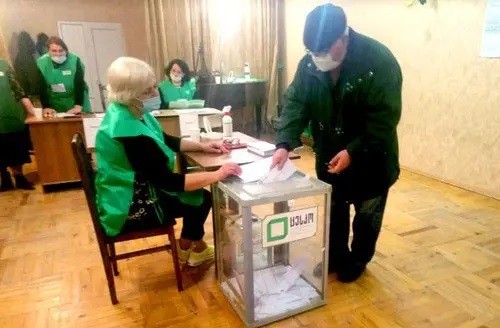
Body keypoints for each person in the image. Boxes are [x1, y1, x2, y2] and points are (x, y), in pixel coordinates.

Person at [272, 4, 402, 282]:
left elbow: (384, 118)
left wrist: (353, 150)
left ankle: (358, 260)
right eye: (312, 52)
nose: (317, 58)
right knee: (335, 209)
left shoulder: (378, 61)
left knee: (367, 214)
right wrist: (284, 143)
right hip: (330, 154)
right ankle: (336, 255)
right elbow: (296, 103)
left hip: (370, 156)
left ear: (343, 38)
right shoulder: (309, 63)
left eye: (324, 51)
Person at [95, 57, 241, 267]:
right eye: (148, 91)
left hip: (127, 189)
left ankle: (197, 248)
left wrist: (203, 146)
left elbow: (166, 140)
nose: (156, 94)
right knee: (202, 199)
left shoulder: (130, 112)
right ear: (129, 95)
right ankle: (183, 249)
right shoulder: (128, 131)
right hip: (130, 204)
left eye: (154, 87)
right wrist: (217, 174)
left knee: (197, 196)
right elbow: (168, 182)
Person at [0, 58, 36, 191]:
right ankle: (4, 178)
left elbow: (18, 90)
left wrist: (31, 110)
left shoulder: (4, 65)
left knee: (16, 146)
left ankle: (19, 176)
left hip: (12, 115)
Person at [36, 36, 91, 116]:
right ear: (48, 51)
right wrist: (46, 106)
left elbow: (79, 84)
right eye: (54, 51)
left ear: (66, 50)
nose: (58, 54)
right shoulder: (42, 63)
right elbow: (42, 87)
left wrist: (78, 106)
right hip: (56, 102)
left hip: (77, 100)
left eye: (61, 50)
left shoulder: (74, 60)